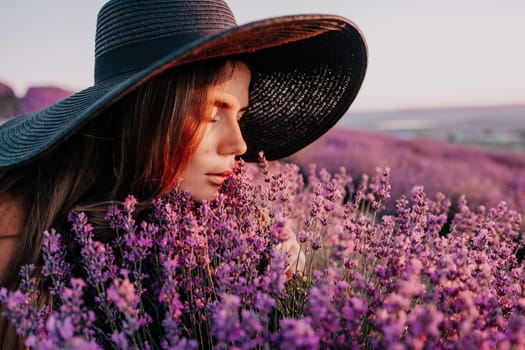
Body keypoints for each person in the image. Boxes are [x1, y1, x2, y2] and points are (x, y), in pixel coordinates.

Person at [0, 0, 367, 346]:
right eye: (212, 114)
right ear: (143, 116)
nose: (239, 145)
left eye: (238, 115)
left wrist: (279, 277)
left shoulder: (218, 227)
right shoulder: (17, 232)